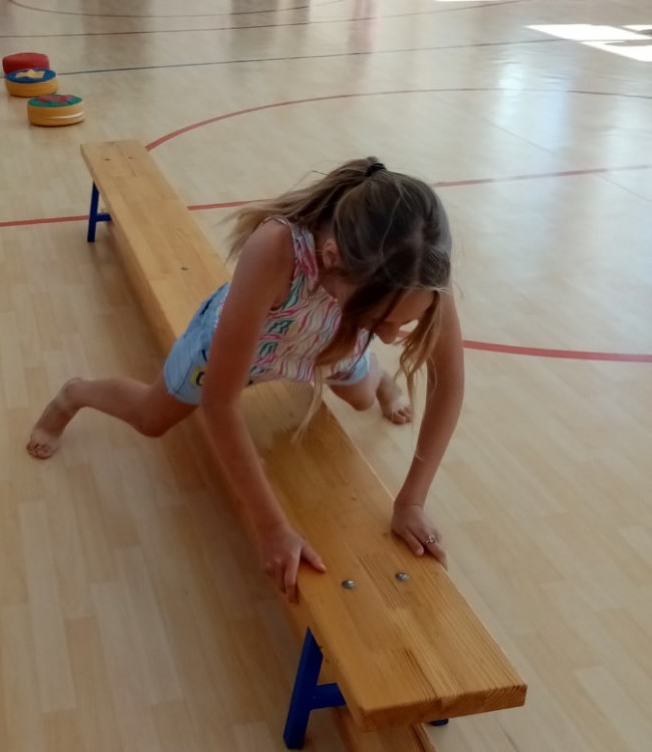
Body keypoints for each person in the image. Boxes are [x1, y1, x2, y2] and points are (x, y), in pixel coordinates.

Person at [27, 157, 464, 601]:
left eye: (404, 323)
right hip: (247, 343)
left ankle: (378, 378)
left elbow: (448, 383)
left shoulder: (420, 269)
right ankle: (74, 394)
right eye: (380, 320)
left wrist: (411, 501)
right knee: (150, 419)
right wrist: (271, 526)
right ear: (332, 258)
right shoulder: (274, 249)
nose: (389, 336)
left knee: (364, 398)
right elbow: (220, 403)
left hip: (330, 339)